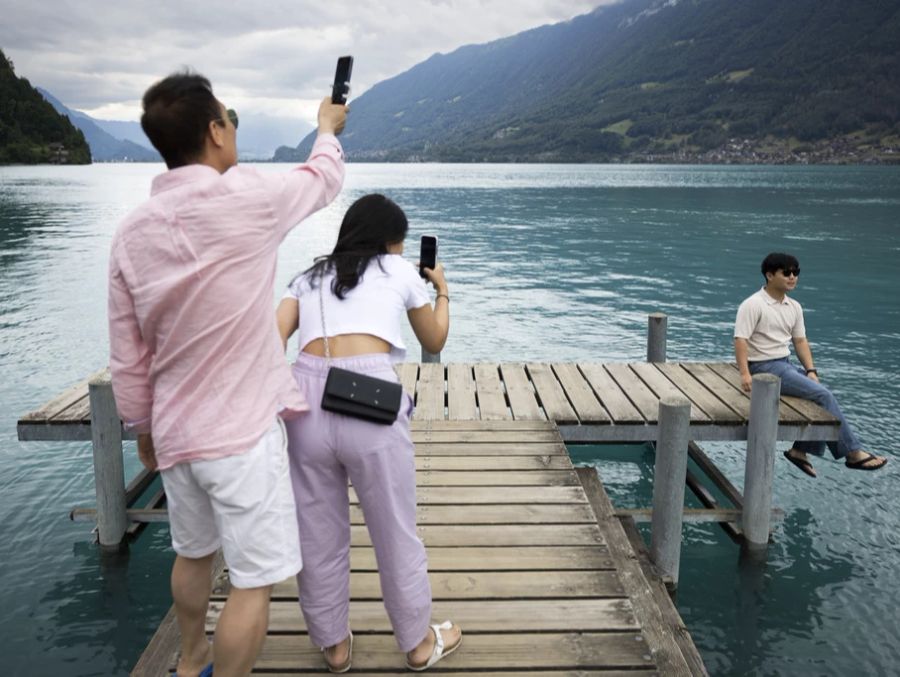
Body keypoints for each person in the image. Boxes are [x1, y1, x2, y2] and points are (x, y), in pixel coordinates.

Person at [107, 71, 347, 677]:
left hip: (177, 435)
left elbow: (127, 352)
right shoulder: (250, 199)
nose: (234, 126)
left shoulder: (131, 233)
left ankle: (191, 662)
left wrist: (142, 425)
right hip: (241, 434)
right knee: (253, 583)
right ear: (215, 131)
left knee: (193, 555)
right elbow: (322, 180)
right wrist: (326, 129)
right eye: (229, 117)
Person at [275, 194, 462, 672]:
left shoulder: (308, 277)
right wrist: (441, 290)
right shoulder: (399, 271)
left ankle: (334, 646)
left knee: (318, 532)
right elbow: (434, 339)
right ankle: (418, 644)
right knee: (394, 529)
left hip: (305, 402)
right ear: (390, 243)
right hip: (369, 401)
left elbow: (269, 338)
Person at [733, 252, 887, 477]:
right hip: (763, 367)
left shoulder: (793, 306)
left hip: (783, 364)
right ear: (769, 275)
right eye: (786, 272)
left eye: (796, 272)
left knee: (821, 393)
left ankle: (800, 451)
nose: (792, 277)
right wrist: (745, 374)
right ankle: (853, 453)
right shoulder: (753, 304)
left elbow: (800, 341)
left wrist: (811, 370)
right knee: (823, 396)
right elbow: (741, 339)